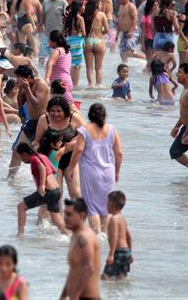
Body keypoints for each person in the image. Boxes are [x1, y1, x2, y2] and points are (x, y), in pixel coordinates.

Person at [67, 103, 122, 233]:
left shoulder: (85, 129)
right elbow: (119, 153)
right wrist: (117, 171)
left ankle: (96, 235)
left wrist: (71, 167)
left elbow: (79, 149)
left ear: (89, 115)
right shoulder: (112, 130)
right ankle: (104, 234)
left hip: (90, 172)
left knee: (91, 207)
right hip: (108, 172)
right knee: (105, 207)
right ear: (104, 115)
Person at [15, 142, 68, 236]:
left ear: (24, 154)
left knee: (21, 207)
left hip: (48, 191)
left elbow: (42, 168)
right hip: (56, 190)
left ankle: (20, 234)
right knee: (56, 219)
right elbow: (54, 169)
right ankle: (68, 236)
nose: (21, 159)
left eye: (19, 156)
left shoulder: (34, 158)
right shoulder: (42, 156)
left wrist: (42, 185)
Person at [60, 198, 101, 300]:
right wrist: (63, 295)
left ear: (82, 215)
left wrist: (75, 295)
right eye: (65, 214)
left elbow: (89, 268)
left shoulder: (85, 237)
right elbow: (73, 270)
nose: (65, 218)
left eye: (69, 214)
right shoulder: (76, 235)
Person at [169, 63, 188, 174]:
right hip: (186, 128)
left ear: (187, 75)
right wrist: (177, 126)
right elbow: (185, 113)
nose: (177, 74)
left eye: (180, 72)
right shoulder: (185, 90)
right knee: (175, 151)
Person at [102, 190, 133, 281]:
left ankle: (108, 294)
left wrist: (111, 254)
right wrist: (130, 253)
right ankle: (120, 294)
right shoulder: (122, 218)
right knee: (121, 277)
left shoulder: (113, 219)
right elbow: (129, 237)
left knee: (105, 277)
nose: (106, 205)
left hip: (118, 252)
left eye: (107, 202)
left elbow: (114, 237)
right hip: (126, 251)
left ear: (111, 203)